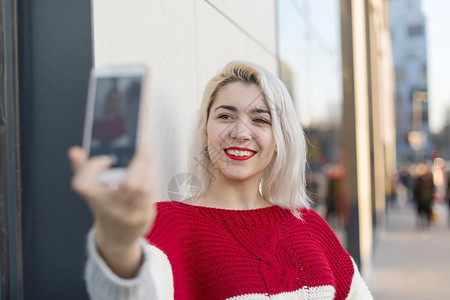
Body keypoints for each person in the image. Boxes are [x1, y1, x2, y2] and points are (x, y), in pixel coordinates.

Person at [69, 61, 373, 299]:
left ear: (279, 139)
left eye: (260, 119)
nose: (240, 132)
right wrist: (118, 243)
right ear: (205, 132)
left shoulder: (310, 225)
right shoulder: (169, 224)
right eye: (226, 116)